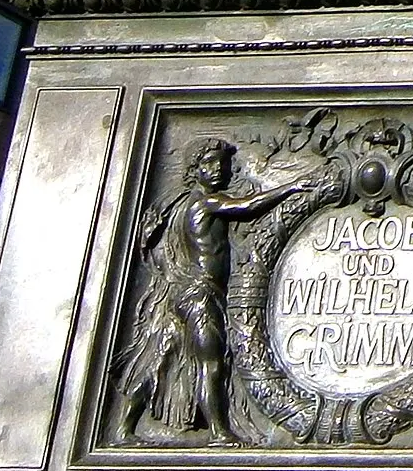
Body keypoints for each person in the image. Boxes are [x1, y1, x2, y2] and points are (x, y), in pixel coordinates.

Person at [116, 139, 304, 444]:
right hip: (200, 295)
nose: (218, 170)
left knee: (158, 358)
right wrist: (292, 186)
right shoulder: (205, 202)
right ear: (194, 170)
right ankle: (218, 431)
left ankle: (125, 428)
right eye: (208, 164)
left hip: (184, 293)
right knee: (211, 363)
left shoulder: (177, 204)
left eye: (221, 164)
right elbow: (247, 206)